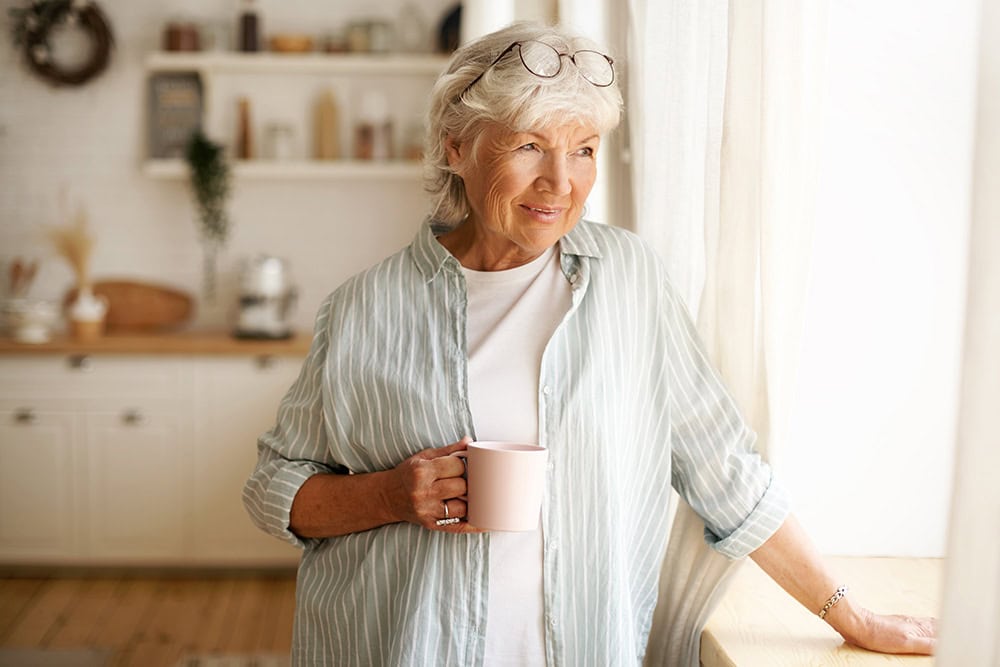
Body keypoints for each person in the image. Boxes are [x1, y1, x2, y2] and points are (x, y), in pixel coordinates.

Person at [243, 21, 936, 666]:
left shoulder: (629, 280)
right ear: (456, 146)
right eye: (528, 145)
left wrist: (853, 616)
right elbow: (274, 486)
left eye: (583, 150)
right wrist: (394, 495)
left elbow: (724, 467)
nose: (561, 182)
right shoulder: (364, 307)